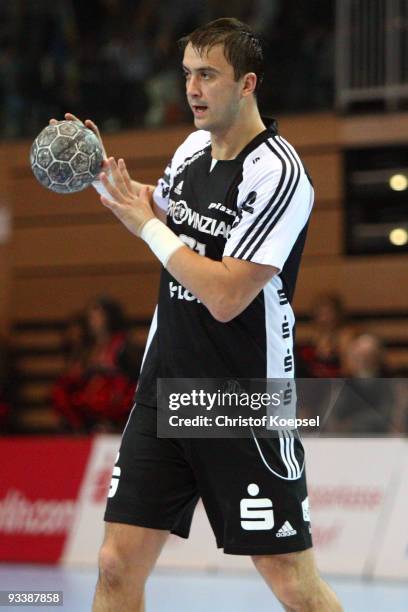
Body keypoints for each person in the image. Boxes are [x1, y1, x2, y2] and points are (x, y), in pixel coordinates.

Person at [53, 17, 342, 611]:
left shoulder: (279, 174)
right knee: (113, 566)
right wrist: (95, 170)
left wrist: (149, 225)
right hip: (165, 390)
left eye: (208, 75)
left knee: (290, 580)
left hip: (240, 399)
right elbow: (150, 211)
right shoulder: (191, 149)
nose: (192, 88)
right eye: (187, 74)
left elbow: (226, 293)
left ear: (247, 84)